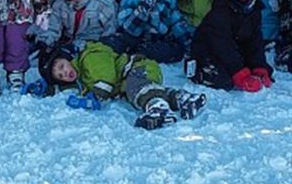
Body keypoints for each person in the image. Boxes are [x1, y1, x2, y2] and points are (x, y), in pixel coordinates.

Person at [32, 42, 207, 130]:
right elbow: (72, 87)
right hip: (130, 79)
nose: (65, 73)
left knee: (138, 89)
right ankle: (183, 99)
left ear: (67, 58)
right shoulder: (80, 77)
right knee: (144, 91)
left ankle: (160, 111)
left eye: (62, 66)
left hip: (137, 68)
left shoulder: (90, 56)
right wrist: (47, 88)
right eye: (60, 76)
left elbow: (105, 77)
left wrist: (96, 97)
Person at [189, 0, 272, 92]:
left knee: (264, 69)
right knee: (224, 80)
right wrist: (240, 73)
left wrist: (259, 68)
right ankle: (198, 70)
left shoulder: (255, 9)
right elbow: (222, 45)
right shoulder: (221, 10)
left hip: (235, 48)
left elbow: (255, 41)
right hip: (210, 50)